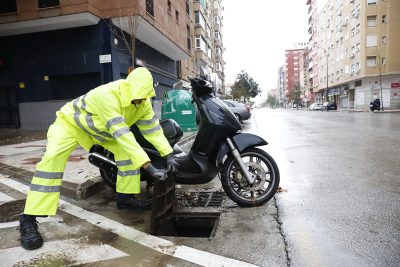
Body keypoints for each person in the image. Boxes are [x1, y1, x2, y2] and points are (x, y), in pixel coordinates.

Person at [18, 67, 178, 250]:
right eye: (138, 96)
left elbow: (152, 130)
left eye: (144, 96)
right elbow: (122, 134)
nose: (141, 100)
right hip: (70, 125)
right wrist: (150, 168)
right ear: (130, 89)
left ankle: (125, 199)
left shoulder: (143, 103)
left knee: (127, 155)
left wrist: (169, 155)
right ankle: (28, 218)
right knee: (52, 160)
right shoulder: (108, 95)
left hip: (100, 131)